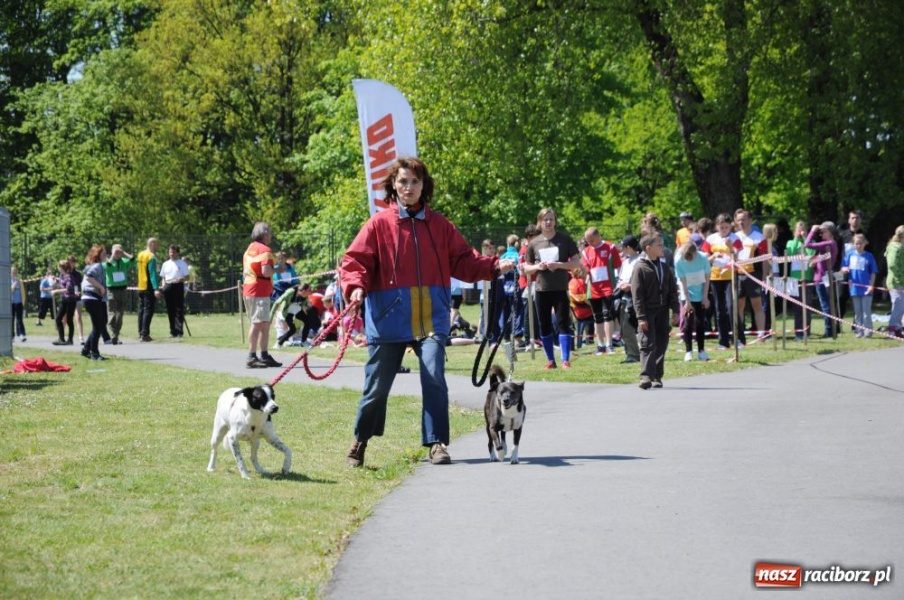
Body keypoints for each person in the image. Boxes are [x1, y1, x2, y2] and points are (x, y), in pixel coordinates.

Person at [339, 157, 515, 468]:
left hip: (430, 318)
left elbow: (464, 260)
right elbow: (356, 262)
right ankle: (360, 440)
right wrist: (355, 286)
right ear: (394, 185)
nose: (409, 187)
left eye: (415, 182)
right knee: (376, 387)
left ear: (424, 186)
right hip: (387, 319)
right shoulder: (378, 225)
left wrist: (493, 266)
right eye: (403, 181)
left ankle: (437, 443)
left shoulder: (441, 226)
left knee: (434, 377)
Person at [523, 208, 582, 369]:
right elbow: (526, 268)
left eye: (551, 219)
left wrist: (560, 265)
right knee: (544, 324)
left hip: (560, 288)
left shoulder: (564, 239)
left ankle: (565, 359)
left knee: (563, 322)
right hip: (541, 289)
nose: (548, 222)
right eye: (545, 219)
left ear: (555, 221)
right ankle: (550, 360)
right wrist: (537, 266)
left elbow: (577, 262)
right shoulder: (534, 243)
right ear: (540, 222)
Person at [631, 233, 680, 389]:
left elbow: (672, 291)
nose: (663, 248)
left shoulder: (664, 267)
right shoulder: (640, 268)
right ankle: (645, 376)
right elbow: (637, 295)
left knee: (661, 343)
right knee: (647, 343)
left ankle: (657, 377)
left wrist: (676, 311)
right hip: (647, 312)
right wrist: (641, 317)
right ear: (648, 248)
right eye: (659, 245)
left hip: (663, 311)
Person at [242, 222, 283, 368]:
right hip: (259, 291)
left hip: (250, 289)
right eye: (270, 232)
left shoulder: (250, 249)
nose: (271, 235)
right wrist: (278, 270)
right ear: (265, 234)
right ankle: (252, 357)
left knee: (264, 323)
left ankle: (264, 355)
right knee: (258, 323)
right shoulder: (265, 250)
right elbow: (266, 271)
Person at [701, 213, 743, 349]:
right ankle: (722, 341)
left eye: (726, 227)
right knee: (719, 309)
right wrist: (713, 256)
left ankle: (738, 339)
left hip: (730, 276)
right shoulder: (711, 239)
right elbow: (705, 259)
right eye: (721, 227)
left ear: (730, 226)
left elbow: (736, 257)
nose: (724, 230)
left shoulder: (735, 238)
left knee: (731, 307)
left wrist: (730, 248)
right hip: (715, 276)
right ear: (716, 226)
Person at [581, 227, 622, 355]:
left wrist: (619, 281)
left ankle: (610, 344)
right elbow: (585, 269)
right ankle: (600, 345)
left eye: (592, 240)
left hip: (608, 288)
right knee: (597, 318)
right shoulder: (586, 251)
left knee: (607, 316)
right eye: (588, 241)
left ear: (598, 236)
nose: (590, 243)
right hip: (593, 289)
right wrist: (585, 276)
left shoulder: (610, 247)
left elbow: (618, 265)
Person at [734, 208, 769, 344]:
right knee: (739, 306)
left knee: (757, 305)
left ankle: (761, 335)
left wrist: (764, 277)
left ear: (750, 220)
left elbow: (765, 259)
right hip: (737, 274)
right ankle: (739, 335)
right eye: (738, 220)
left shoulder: (759, 237)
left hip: (754, 274)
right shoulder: (734, 237)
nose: (741, 222)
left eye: (743, 219)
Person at [674, 242, 711, 361]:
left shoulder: (703, 258)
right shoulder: (679, 261)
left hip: (701, 293)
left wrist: (705, 297)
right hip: (687, 294)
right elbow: (683, 282)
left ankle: (701, 351)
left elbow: (707, 279)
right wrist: (687, 302)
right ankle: (688, 351)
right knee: (688, 322)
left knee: (700, 322)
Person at [804, 221, 839, 337]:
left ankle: (829, 331)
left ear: (830, 232)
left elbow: (807, 244)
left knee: (825, 305)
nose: (821, 234)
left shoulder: (829, 243)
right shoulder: (827, 244)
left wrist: (812, 231)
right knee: (826, 304)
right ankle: (830, 330)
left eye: (823, 231)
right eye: (820, 232)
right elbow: (822, 260)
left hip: (822, 279)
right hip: (821, 277)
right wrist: (815, 262)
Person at [841, 233, 878, 337]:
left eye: (860, 243)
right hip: (854, 287)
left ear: (865, 243)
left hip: (866, 287)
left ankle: (868, 330)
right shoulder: (850, 255)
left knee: (866, 311)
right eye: (856, 243)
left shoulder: (869, 256)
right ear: (853, 244)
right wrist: (844, 269)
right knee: (858, 311)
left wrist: (871, 285)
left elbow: (873, 272)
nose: (858, 246)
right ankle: (859, 330)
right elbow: (843, 267)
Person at [785, 221, 816, 341]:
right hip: (794, 278)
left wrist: (805, 239)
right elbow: (790, 252)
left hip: (806, 278)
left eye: (803, 230)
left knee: (807, 306)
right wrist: (797, 239)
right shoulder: (790, 242)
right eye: (798, 230)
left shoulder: (811, 244)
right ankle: (798, 333)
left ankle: (806, 332)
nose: (800, 232)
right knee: (797, 307)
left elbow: (811, 254)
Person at [80, 245, 109, 361]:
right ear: (97, 255)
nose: (106, 255)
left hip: (93, 298)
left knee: (99, 325)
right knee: (98, 326)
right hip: (91, 298)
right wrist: (101, 287)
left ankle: (86, 349)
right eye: (103, 254)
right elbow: (88, 277)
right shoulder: (97, 266)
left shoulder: (93, 265)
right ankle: (95, 353)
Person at [838, 210, 867, 327]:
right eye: (853, 218)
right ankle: (837, 325)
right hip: (843, 271)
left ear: (860, 220)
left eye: (857, 218)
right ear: (849, 220)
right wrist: (838, 270)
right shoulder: (843, 235)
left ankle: (857, 325)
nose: (855, 220)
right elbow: (838, 254)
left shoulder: (864, 235)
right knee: (840, 297)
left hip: (859, 273)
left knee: (858, 298)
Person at [615, 235, 641, 364]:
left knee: (636, 326)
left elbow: (642, 281)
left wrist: (630, 286)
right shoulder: (625, 262)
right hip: (624, 298)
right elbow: (620, 278)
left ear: (629, 247)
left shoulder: (641, 260)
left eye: (623, 247)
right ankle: (631, 353)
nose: (621, 250)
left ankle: (636, 354)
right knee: (625, 327)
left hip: (637, 298)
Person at [103, 244, 133, 344]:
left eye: (119, 251)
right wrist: (113, 255)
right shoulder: (108, 261)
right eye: (115, 251)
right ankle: (113, 335)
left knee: (120, 314)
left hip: (122, 290)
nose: (117, 253)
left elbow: (133, 260)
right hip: (112, 290)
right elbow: (107, 266)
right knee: (112, 312)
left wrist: (123, 253)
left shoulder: (124, 261)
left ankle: (116, 335)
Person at [159, 244, 190, 338]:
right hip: (168, 286)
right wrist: (163, 286)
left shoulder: (182, 263)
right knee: (170, 309)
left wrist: (182, 279)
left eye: (173, 252)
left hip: (178, 286)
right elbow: (163, 277)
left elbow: (187, 277)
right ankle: (173, 331)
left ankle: (179, 331)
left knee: (179, 309)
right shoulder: (165, 264)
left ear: (177, 253)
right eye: (170, 252)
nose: (171, 254)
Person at [136, 238, 163, 342]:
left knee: (141, 310)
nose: (158, 247)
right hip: (148, 286)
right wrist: (156, 288)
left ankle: (140, 332)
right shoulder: (151, 256)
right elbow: (152, 274)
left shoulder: (140, 254)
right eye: (156, 244)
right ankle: (145, 334)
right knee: (148, 310)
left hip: (141, 285)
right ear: (151, 244)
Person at [51, 259, 80, 345]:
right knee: (58, 319)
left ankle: (70, 339)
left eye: (58, 266)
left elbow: (68, 289)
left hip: (71, 300)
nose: (58, 268)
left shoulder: (69, 276)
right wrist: (56, 280)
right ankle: (61, 339)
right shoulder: (62, 276)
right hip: (64, 300)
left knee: (69, 320)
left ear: (62, 267)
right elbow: (62, 284)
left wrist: (56, 291)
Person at [884, 225, 904, 338]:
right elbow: (892, 264)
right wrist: (900, 276)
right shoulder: (897, 247)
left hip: (899, 281)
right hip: (896, 281)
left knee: (899, 306)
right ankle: (893, 329)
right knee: (898, 306)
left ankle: (897, 328)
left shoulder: (899, 246)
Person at [567, 266, 594, 348]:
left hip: (576, 311)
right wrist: (594, 306)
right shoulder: (581, 283)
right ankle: (591, 338)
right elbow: (585, 299)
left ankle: (585, 340)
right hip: (584, 311)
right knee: (599, 312)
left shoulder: (571, 282)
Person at [10, 266, 26, 342]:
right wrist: (13, 286)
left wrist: (23, 301)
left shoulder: (20, 281)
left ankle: (21, 334)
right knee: (11, 319)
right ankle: (11, 336)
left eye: (15, 272)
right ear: (10, 273)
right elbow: (9, 291)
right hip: (11, 303)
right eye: (13, 272)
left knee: (19, 319)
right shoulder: (8, 281)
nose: (14, 273)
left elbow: (22, 292)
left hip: (19, 303)